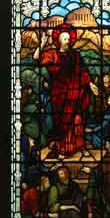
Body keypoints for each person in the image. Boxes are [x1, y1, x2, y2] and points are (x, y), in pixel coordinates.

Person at [34, 24, 98, 157]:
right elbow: (36, 57)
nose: (68, 41)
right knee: (63, 122)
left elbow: (82, 71)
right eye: (64, 38)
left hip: (76, 91)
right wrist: (43, 43)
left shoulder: (75, 55)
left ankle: (80, 147)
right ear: (59, 40)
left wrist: (90, 83)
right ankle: (63, 149)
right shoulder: (53, 54)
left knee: (78, 119)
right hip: (60, 93)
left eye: (69, 38)